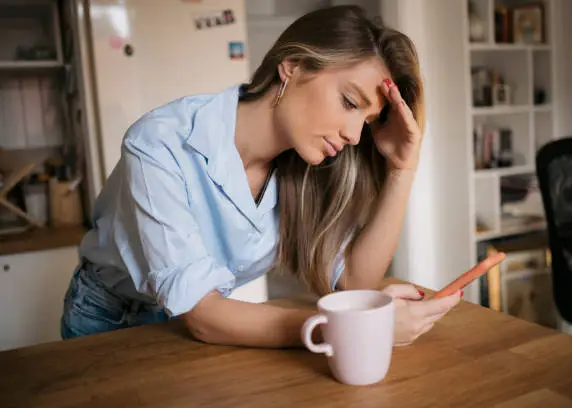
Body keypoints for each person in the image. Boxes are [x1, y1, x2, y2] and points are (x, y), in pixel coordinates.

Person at [61, 5, 462, 347]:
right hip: (108, 319)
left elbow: (355, 283)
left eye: (368, 121)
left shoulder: (311, 165)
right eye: (348, 102)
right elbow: (203, 314)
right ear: (292, 66)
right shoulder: (160, 142)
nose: (355, 135)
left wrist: (402, 167)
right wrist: (348, 329)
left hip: (215, 326)